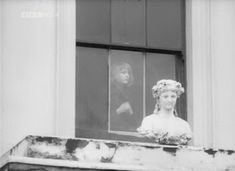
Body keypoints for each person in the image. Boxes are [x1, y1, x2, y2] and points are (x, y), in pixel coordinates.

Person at [137, 79, 192, 145]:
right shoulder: (149, 121)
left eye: (173, 96)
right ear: (158, 98)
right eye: (165, 96)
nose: (169, 100)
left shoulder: (184, 125)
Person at [110, 62, 136, 132]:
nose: (127, 75)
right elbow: (102, 119)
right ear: (115, 74)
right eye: (123, 73)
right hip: (114, 130)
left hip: (128, 130)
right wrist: (119, 110)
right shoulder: (110, 91)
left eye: (128, 73)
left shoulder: (129, 92)